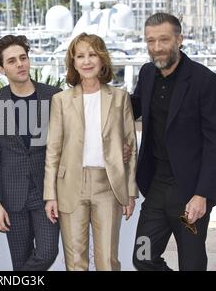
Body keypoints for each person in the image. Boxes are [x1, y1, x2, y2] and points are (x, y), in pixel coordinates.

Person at [131, 13, 216, 271]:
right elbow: (132, 107)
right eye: (150, 41)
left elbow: (215, 143)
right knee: (142, 256)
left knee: (191, 265)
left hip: (190, 193)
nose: (156, 47)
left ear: (179, 40)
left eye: (164, 40)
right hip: (156, 188)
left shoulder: (205, 81)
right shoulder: (147, 73)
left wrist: (202, 194)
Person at [44, 33, 138, 271]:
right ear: (73, 62)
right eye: (80, 56)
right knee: (75, 261)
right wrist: (50, 195)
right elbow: (53, 151)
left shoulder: (119, 97)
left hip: (108, 186)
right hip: (70, 186)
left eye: (92, 55)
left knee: (108, 259)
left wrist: (130, 191)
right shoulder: (61, 100)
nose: (87, 61)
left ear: (102, 59)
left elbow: (131, 146)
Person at [0, 35, 60, 271]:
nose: (20, 64)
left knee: (47, 252)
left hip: (46, 193)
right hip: (11, 196)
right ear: (2, 69)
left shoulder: (54, 96)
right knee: (20, 260)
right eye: (12, 61)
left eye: (23, 58)